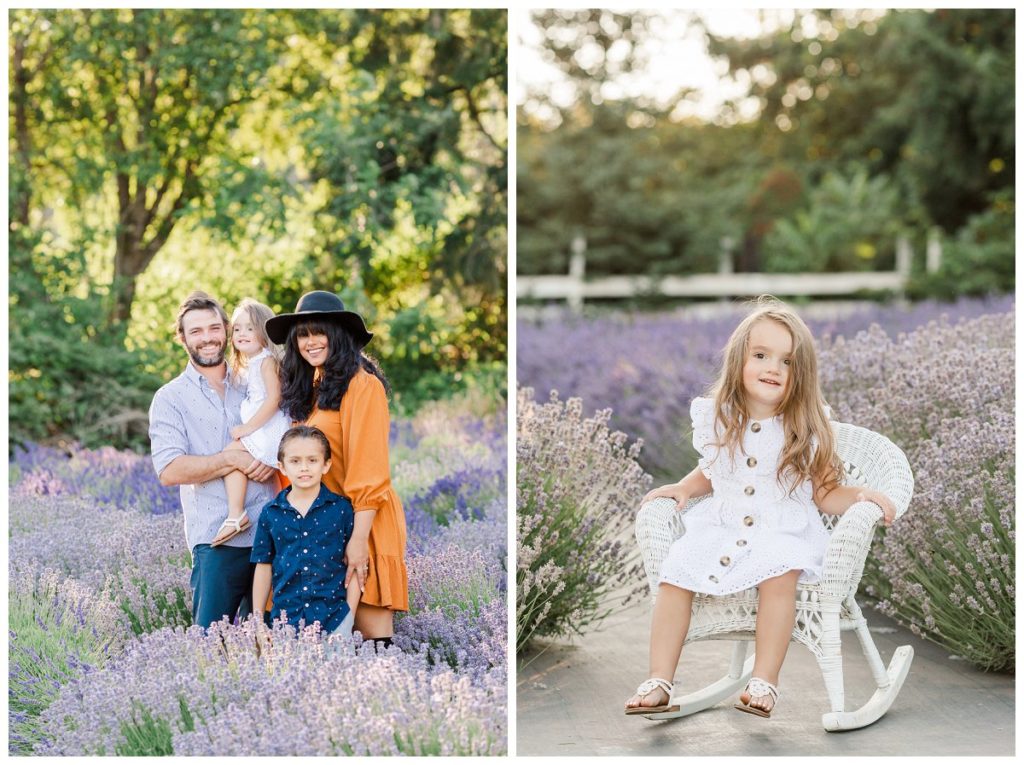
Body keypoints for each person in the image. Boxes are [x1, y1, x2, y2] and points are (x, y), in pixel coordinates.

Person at [624, 297, 896, 719]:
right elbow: (713, 471)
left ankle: (764, 680)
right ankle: (660, 678)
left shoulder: (805, 429)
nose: (773, 368)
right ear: (739, 362)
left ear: (800, 376)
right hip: (724, 523)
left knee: (779, 574)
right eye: (761, 356)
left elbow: (825, 493)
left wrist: (861, 495)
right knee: (675, 571)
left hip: (781, 530)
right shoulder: (719, 416)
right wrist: (683, 488)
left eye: (787, 363)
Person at [266, 290, 409, 648]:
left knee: (373, 641)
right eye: (302, 334)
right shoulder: (312, 387)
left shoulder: (362, 386)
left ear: (338, 335)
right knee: (324, 642)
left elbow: (369, 469)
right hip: (321, 526)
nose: (310, 341)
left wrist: (357, 541)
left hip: (363, 522)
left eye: (319, 331)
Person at [149, 290, 280, 628]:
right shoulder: (170, 398)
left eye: (213, 328)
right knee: (211, 643)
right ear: (182, 338)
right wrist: (232, 459)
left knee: (276, 644)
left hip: (272, 534)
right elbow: (170, 469)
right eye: (196, 331)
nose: (207, 338)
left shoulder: (254, 381)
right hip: (215, 541)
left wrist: (272, 460)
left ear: (226, 329)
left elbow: (287, 426)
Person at [252, 425, 361, 637]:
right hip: (286, 622)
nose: (304, 468)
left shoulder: (341, 509)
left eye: (312, 460)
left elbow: (354, 565)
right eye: (295, 461)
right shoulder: (271, 513)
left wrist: (349, 617)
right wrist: (258, 622)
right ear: (282, 467)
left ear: (326, 464)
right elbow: (263, 566)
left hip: (334, 621)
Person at [213, 298, 291, 547]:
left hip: (269, 429)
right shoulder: (254, 362)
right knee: (232, 460)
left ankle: (236, 514)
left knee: (228, 456)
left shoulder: (266, 361)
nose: (242, 333)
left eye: (250, 328)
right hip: (263, 427)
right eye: (237, 329)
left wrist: (247, 428)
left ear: (264, 332)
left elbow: (274, 398)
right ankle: (239, 513)